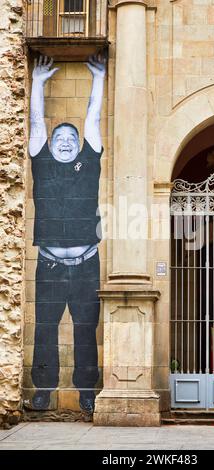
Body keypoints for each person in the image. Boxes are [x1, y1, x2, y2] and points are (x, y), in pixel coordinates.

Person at [28, 54, 106, 413]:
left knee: (85, 329)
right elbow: (35, 127)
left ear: (78, 145)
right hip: (50, 266)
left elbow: (92, 119)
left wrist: (99, 78)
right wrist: (38, 83)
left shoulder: (88, 163)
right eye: (58, 136)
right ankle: (42, 389)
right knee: (44, 327)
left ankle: (87, 391)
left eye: (69, 137)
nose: (62, 140)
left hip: (87, 264)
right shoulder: (42, 164)